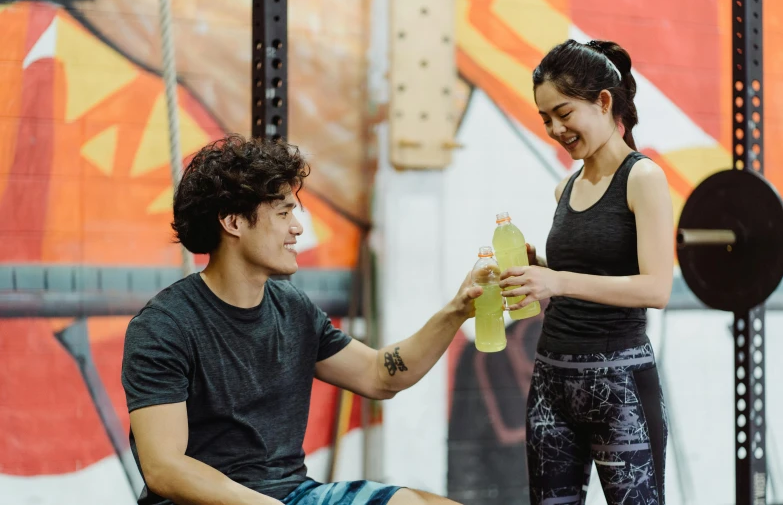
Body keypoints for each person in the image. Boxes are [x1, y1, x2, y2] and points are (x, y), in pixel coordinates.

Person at [121, 135, 480, 505]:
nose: (297, 228)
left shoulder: (292, 308)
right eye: (283, 213)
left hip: (293, 495)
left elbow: (380, 375)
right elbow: (164, 467)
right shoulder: (163, 327)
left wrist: (456, 311)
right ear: (233, 223)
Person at [498, 39, 673, 505]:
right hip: (551, 381)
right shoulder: (565, 188)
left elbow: (656, 288)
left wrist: (557, 280)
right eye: (545, 119)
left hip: (619, 388)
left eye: (563, 113)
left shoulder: (643, 179)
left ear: (603, 101)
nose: (555, 128)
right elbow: (585, 273)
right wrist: (538, 267)